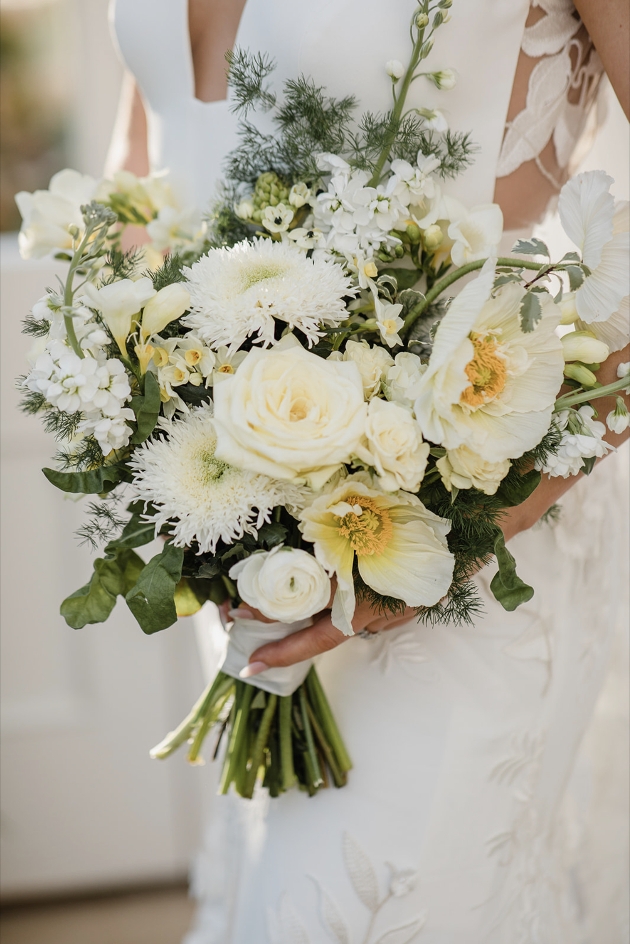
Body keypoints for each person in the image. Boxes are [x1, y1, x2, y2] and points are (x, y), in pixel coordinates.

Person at [109, 2, 629, 940]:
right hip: (239, 514)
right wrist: (136, 415)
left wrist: (462, 527)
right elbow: (143, 160)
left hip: (467, 511)